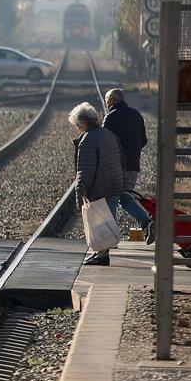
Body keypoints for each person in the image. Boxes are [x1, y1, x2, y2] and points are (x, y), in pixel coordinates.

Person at [71, 102, 126, 266]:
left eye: (76, 124)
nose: (76, 127)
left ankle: (102, 256)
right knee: (108, 220)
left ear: (82, 123)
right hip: (114, 183)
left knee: (99, 223)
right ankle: (102, 254)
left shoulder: (87, 140)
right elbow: (123, 160)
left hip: (100, 187)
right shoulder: (108, 134)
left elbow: (85, 170)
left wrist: (80, 192)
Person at [102, 88, 155, 243]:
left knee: (112, 198)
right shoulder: (136, 114)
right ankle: (146, 222)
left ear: (111, 100)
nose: (106, 103)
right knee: (125, 197)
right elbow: (143, 140)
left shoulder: (111, 117)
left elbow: (104, 142)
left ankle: (109, 235)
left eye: (107, 101)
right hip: (133, 165)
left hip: (116, 166)